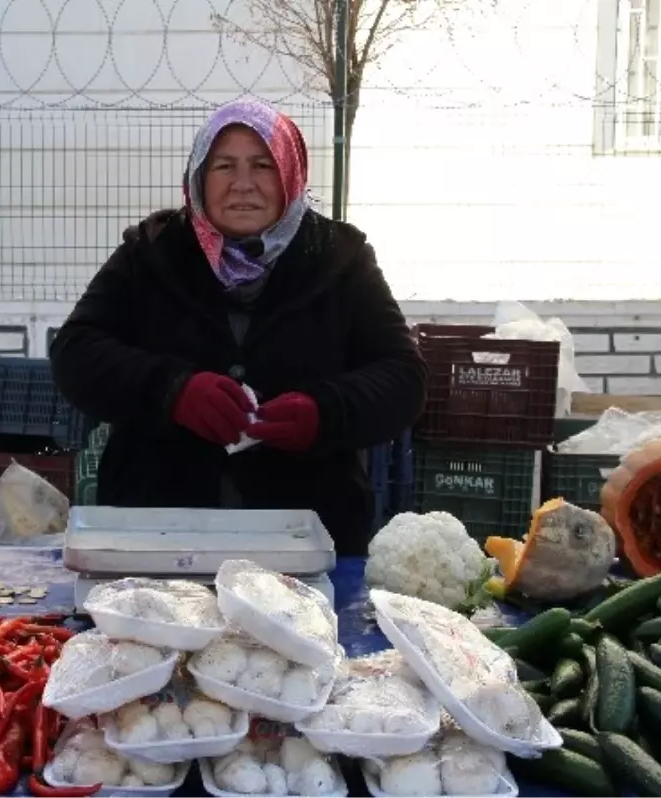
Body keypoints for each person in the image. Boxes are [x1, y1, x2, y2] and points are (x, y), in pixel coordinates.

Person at [49, 98, 427, 556]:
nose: (242, 185)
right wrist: (174, 392)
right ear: (199, 179)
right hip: (158, 531)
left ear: (289, 173)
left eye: (263, 166)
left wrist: (323, 412)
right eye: (224, 166)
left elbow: (403, 377)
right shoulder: (151, 253)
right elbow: (76, 353)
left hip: (304, 538)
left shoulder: (340, 258)